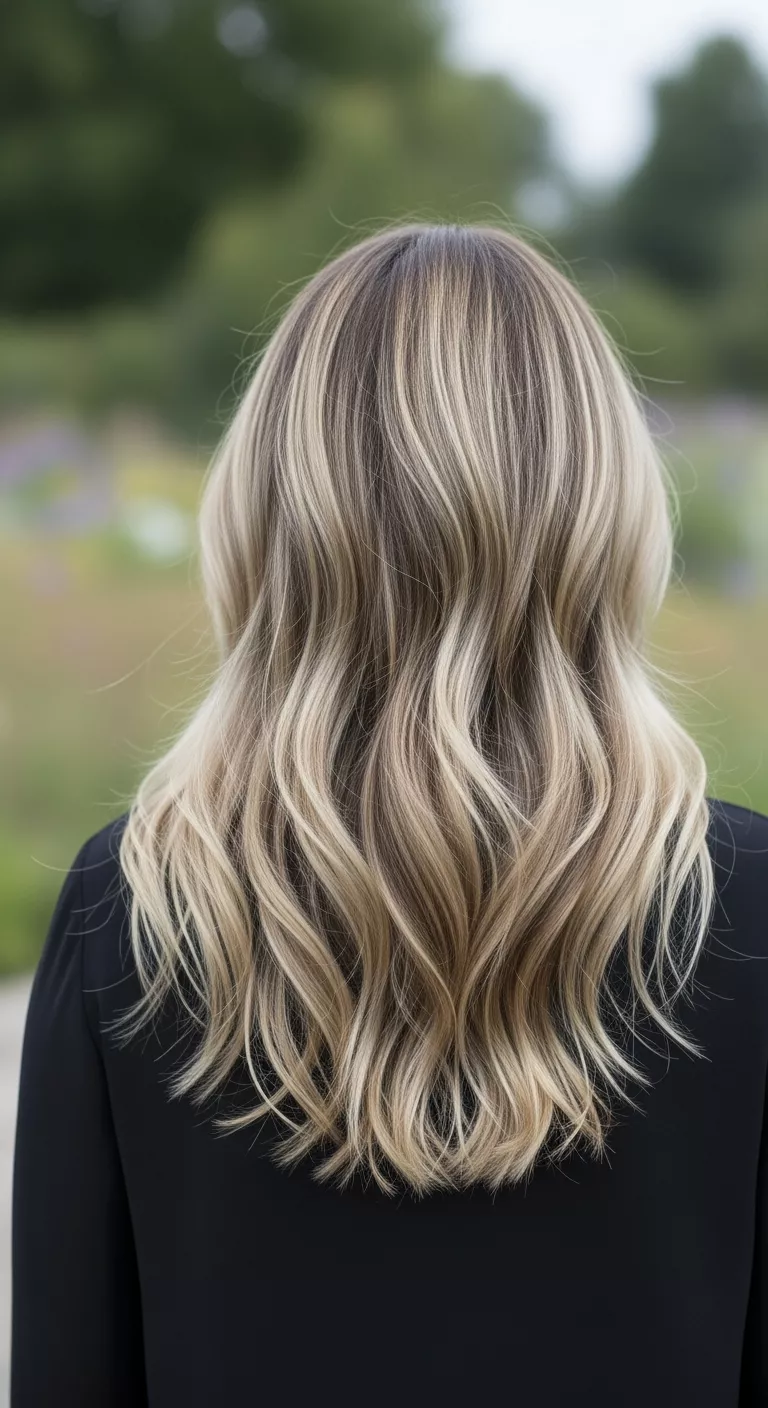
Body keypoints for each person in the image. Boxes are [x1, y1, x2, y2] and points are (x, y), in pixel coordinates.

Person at [11, 223, 768, 1407]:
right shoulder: (751, 904)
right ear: (605, 504)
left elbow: (69, 1372)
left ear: (269, 509)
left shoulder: (134, 913)